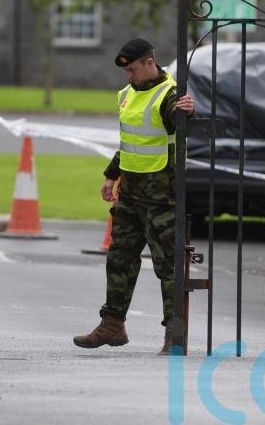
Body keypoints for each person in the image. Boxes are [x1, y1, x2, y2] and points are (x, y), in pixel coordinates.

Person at [73, 38, 195, 355]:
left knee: (167, 267)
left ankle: (175, 336)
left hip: (162, 197)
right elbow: (129, 142)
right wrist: (111, 175)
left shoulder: (170, 94)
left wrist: (189, 112)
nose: (128, 75)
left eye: (132, 68)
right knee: (119, 260)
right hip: (130, 194)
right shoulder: (127, 95)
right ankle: (112, 325)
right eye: (126, 70)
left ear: (149, 62)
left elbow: (180, 125)